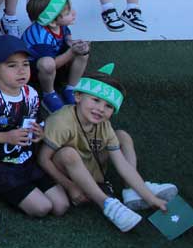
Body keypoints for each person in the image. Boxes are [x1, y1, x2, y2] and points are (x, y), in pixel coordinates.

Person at [38, 63, 178, 232]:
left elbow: (122, 165)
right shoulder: (61, 121)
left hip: (91, 164)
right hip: (69, 171)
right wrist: (69, 185)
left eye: (108, 106)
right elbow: (43, 159)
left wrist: (151, 199)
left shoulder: (104, 125)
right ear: (78, 96)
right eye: (95, 100)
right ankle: (106, 204)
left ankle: (132, 190)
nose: (100, 109)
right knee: (68, 153)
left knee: (122, 136)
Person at [0, 35, 69, 218]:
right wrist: (5, 137)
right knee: (42, 208)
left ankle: (27, 188)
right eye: (12, 65)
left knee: (61, 205)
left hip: (26, 161)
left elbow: (37, 121)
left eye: (26, 64)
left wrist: (39, 132)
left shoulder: (31, 93)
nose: (21, 71)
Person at [21, 0, 91, 113]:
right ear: (53, 22)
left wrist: (72, 43)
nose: (74, 12)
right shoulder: (40, 37)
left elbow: (66, 35)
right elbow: (51, 64)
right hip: (33, 71)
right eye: (68, 12)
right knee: (47, 64)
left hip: (55, 61)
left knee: (83, 52)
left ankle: (71, 88)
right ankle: (49, 94)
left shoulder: (57, 25)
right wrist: (72, 51)